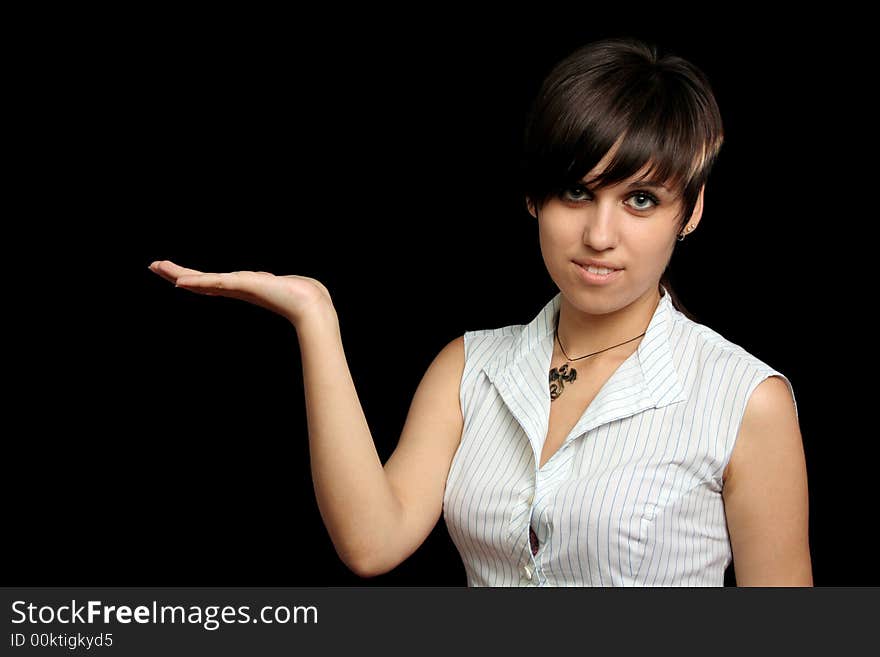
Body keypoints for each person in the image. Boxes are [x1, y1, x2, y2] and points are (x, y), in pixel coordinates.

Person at [148, 36, 812, 586]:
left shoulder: (744, 397)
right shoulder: (471, 366)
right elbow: (371, 541)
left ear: (689, 211)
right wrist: (314, 315)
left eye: (640, 200)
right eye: (576, 192)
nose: (601, 235)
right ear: (534, 198)